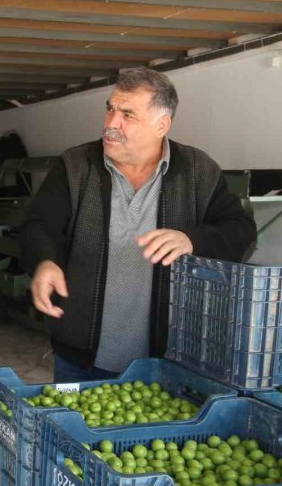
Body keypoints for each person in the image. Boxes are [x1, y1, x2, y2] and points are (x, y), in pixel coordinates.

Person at [20, 67, 256, 383]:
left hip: (167, 363)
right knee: (73, 431)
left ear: (162, 125)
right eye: (110, 109)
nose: (111, 124)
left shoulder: (198, 171)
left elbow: (242, 231)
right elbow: (39, 224)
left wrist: (192, 240)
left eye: (127, 115)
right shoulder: (75, 166)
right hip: (79, 354)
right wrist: (44, 260)